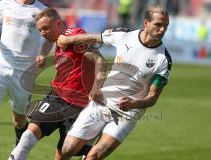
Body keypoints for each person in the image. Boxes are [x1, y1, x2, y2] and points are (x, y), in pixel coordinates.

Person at [57, 5, 172, 159]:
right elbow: (95, 37)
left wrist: (134, 104)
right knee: (67, 149)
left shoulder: (163, 58)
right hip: (102, 102)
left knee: (94, 157)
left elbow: (153, 97)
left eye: (166, 25)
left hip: (127, 114)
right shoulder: (124, 35)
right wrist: (67, 39)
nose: (162, 29)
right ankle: (87, 146)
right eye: (158, 24)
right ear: (146, 23)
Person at [9, 8, 106, 160]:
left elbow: (100, 60)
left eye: (46, 28)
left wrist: (96, 88)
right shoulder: (58, 42)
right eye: (40, 30)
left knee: (62, 155)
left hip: (79, 106)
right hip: (57, 97)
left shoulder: (72, 35)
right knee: (27, 136)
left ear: (58, 23)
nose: (43, 33)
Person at [0, 0, 52, 160]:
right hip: (1, 64)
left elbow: (49, 38)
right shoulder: (4, 4)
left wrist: (43, 54)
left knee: (19, 119)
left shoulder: (43, 10)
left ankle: (17, 150)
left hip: (25, 72)